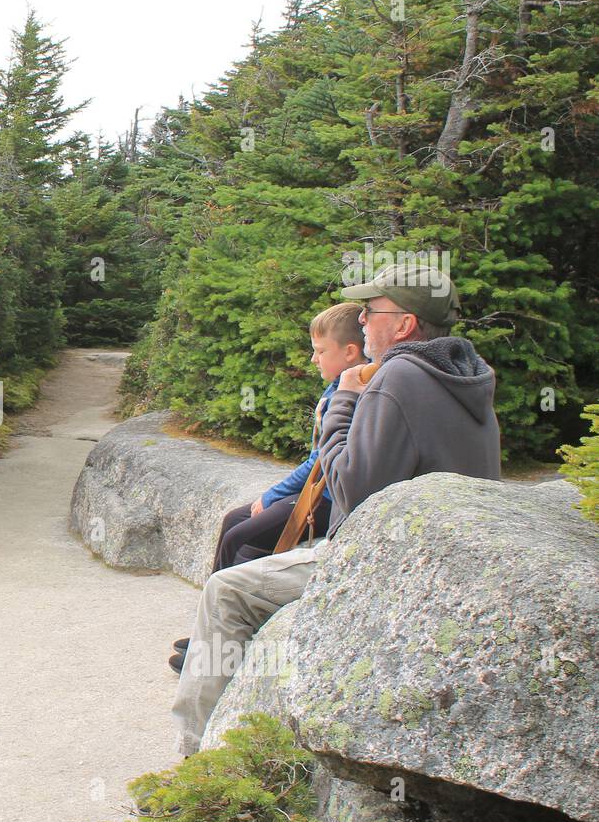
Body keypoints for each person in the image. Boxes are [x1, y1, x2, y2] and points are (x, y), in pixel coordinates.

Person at [169, 263, 501, 756]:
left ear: (405, 324)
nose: (363, 320)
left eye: (371, 312)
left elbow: (351, 488)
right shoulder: (463, 373)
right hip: (440, 559)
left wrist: (344, 400)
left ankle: (196, 758)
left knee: (227, 590)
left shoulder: (400, 376)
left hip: (387, 563)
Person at [168, 303, 367, 675]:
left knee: (240, 535)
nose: (313, 359)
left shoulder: (351, 394)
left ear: (350, 352)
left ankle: (217, 647)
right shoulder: (335, 389)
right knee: (232, 521)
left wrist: (272, 496)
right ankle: (207, 634)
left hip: (326, 501)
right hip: (315, 491)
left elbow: (320, 462)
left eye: (321, 351)